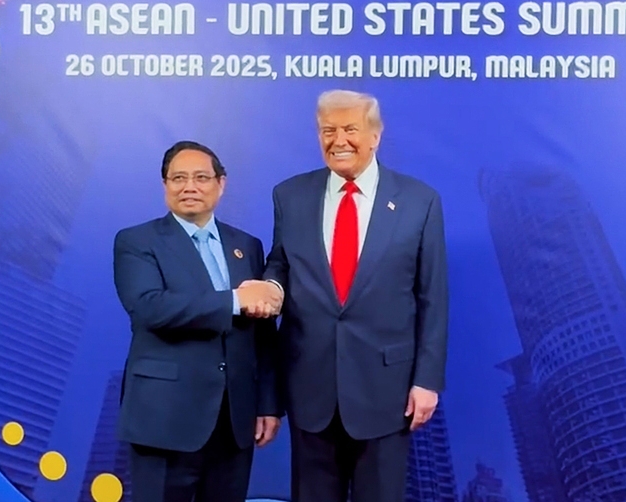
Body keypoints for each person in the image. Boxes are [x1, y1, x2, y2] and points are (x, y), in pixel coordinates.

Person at [262, 90, 449, 502]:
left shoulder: (420, 201)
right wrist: (271, 286)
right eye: (328, 130)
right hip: (310, 388)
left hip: (387, 392)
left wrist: (427, 381)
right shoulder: (289, 196)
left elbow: (432, 298)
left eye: (350, 129)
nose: (338, 140)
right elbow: (280, 265)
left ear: (375, 135)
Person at [113, 140, 283, 502]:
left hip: (234, 422)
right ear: (165, 185)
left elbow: (263, 335)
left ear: (221, 184)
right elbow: (149, 308)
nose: (189, 186)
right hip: (164, 420)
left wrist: (268, 403)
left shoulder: (247, 246)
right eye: (178, 178)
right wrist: (235, 300)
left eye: (201, 177)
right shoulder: (136, 241)